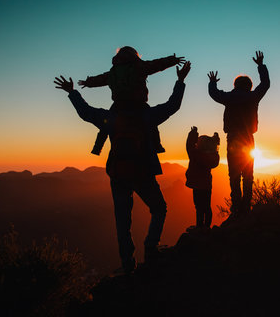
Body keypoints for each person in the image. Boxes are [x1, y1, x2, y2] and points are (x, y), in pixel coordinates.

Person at [54, 61, 191, 274]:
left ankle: (128, 264)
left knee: (122, 221)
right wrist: (180, 81)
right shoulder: (146, 116)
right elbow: (173, 106)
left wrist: (72, 92)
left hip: (118, 172)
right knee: (159, 208)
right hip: (143, 171)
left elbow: (86, 112)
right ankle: (151, 247)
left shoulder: (111, 117)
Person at [78, 46, 185, 156]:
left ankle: (97, 148)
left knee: (106, 124)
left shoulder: (113, 72)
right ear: (134, 55)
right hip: (138, 105)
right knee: (152, 124)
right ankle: (157, 145)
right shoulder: (139, 67)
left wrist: (88, 82)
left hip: (118, 106)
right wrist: (173, 61)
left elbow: (99, 79)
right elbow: (156, 65)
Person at [208, 51, 270, 220]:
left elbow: (214, 94)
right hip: (249, 139)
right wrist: (261, 66)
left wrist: (212, 83)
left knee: (234, 175)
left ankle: (237, 209)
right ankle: (246, 208)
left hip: (233, 140)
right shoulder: (253, 97)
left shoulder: (229, 97)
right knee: (248, 176)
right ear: (249, 85)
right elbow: (265, 84)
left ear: (235, 85)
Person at [185, 126, 220, 230]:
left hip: (197, 185)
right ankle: (206, 227)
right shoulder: (212, 157)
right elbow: (215, 151)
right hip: (207, 186)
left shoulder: (196, 155)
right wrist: (216, 138)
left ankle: (199, 226)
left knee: (198, 207)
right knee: (206, 207)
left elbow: (189, 146)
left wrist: (193, 133)